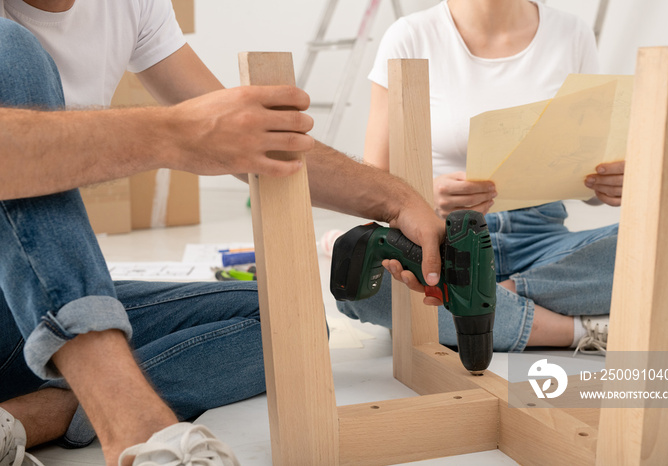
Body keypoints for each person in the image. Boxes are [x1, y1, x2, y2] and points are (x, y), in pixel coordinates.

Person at [0, 1, 444, 465]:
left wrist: (397, 199)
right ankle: (134, 424)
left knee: (280, 323)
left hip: (26, 321)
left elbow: (251, 140)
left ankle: (26, 419)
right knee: (9, 49)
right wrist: (173, 133)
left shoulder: (130, 5)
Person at [336, 0, 624, 355]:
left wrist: (608, 183)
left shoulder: (572, 33)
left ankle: (482, 297)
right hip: (441, 241)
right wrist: (423, 196)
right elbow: (374, 185)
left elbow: (588, 172)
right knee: (361, 288)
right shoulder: (409, 36)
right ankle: (574, 328)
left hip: (541, 239)